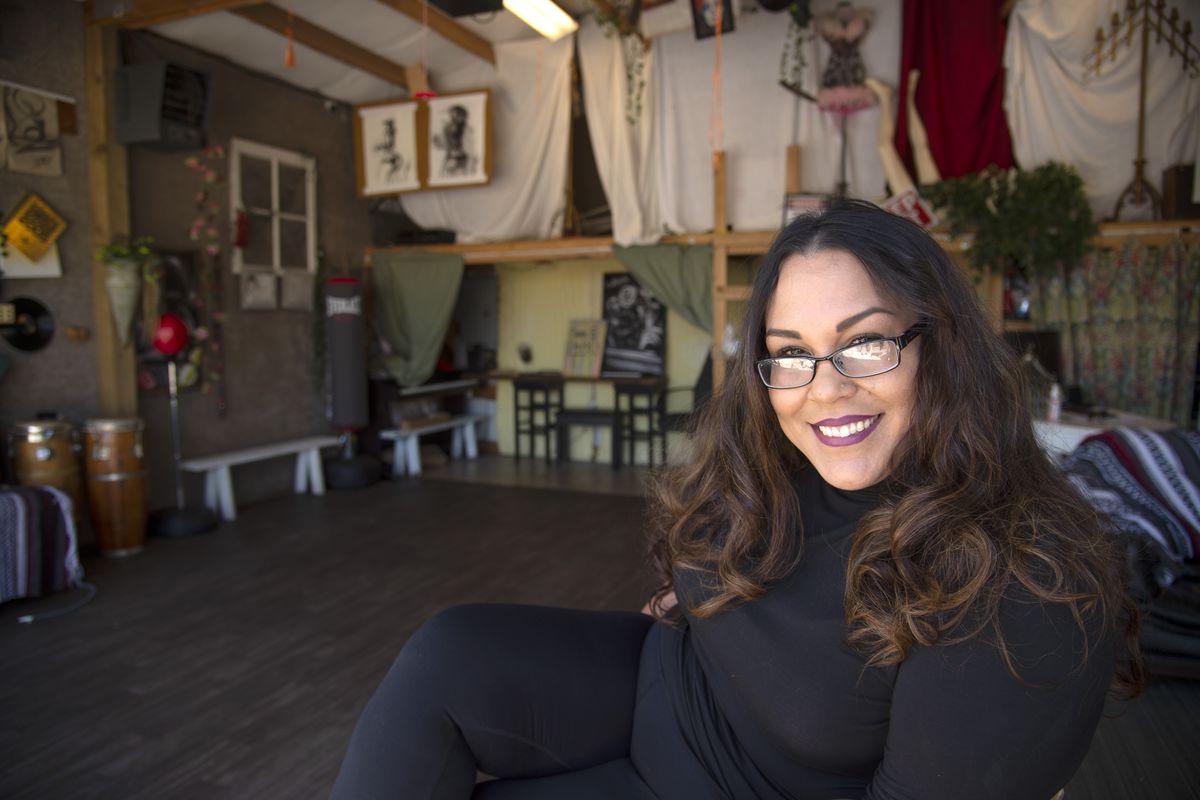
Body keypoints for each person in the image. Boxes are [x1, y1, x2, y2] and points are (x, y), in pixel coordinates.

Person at [330, 200, 1143, 800]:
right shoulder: (781, 465)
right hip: (660, 691)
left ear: (944, 343)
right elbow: (771, 592)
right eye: (790, 355)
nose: (823, 390)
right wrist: (705, 601)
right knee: (450, 651)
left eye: (864, 342)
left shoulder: (1026, 588)